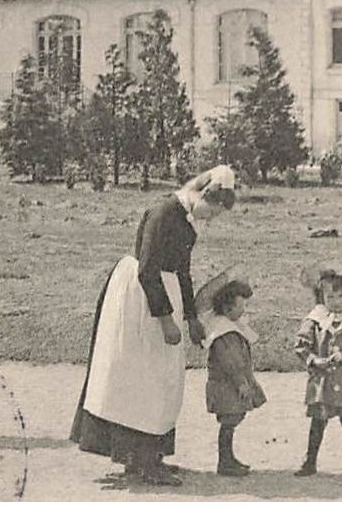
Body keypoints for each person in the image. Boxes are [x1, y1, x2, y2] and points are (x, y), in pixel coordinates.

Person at [72, 166, 239, 486]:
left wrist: (190, 318)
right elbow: (148, 269)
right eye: (213, 210)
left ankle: (149, 456)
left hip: (167, 293)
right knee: (142, 378)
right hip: (142, 300)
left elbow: (184, 273)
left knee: (163, 378)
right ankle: (141, 461)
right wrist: (165, 320)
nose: (211, 218)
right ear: (203, 194)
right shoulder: (163, 213)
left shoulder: (187, 223)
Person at [294, 258, 342, 482]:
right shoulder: (315, 320)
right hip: (323, 379)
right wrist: (313, 360)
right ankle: (310, 461)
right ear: (321, 298)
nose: (336, 302)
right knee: (318, 420)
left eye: (340, 296)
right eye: (330, 297)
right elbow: (301, 345)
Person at [196, 271, 266, 477]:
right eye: (241, 306)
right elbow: (231, 362)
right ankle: (225, 461)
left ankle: (228, 458)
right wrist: (241, 383)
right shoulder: (224, 333)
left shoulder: (227, 327)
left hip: (230, 384)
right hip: (227, 385)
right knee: (229, 419)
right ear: (228, 308)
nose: (244, 310)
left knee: (233, 418)